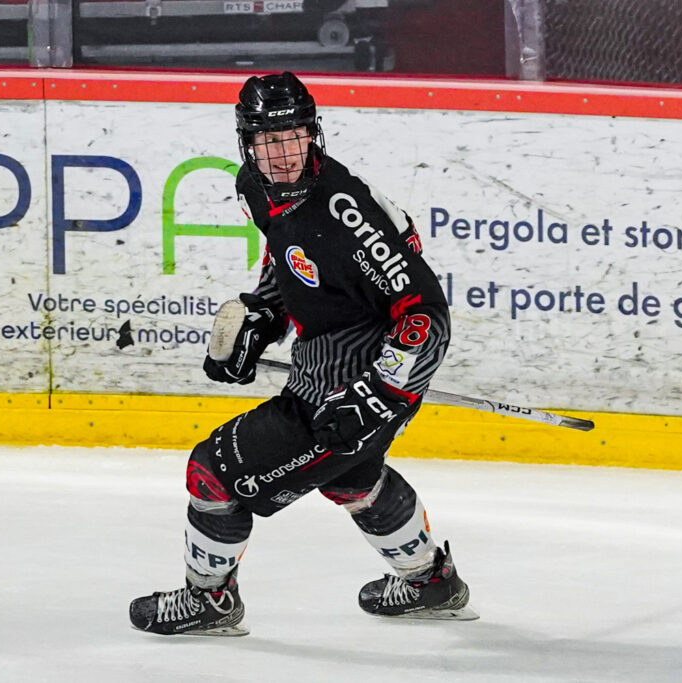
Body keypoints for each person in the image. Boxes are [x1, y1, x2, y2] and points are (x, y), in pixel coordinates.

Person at [129, 72, 474, 636]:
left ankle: (209, 601)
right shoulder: (255, 187)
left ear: (313, 134)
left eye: (293, 135)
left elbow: (424, 316)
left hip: (361, 386)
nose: (284, 152)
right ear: (248, 142)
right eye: (269, 139)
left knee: (211, 474)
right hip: (328, 372)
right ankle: (429, 582)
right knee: (351, 479)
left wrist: (377, 392)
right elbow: (287, 260)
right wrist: (264, 314)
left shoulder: (344, 213)